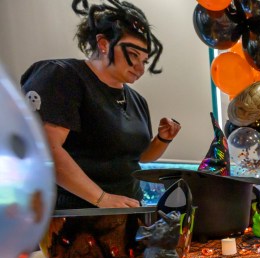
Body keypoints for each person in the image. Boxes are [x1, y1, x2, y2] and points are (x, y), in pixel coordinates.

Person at [21, 0, 181, 210]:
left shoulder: (137, 100)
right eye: (133, 55)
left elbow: (136, 156)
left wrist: (162, 139)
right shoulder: (63, 76)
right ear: (104, 44)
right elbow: (47, 150)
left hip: (125, 215)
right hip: (73, 218)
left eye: (145, 61)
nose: (140, 68)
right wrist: (102, 199)